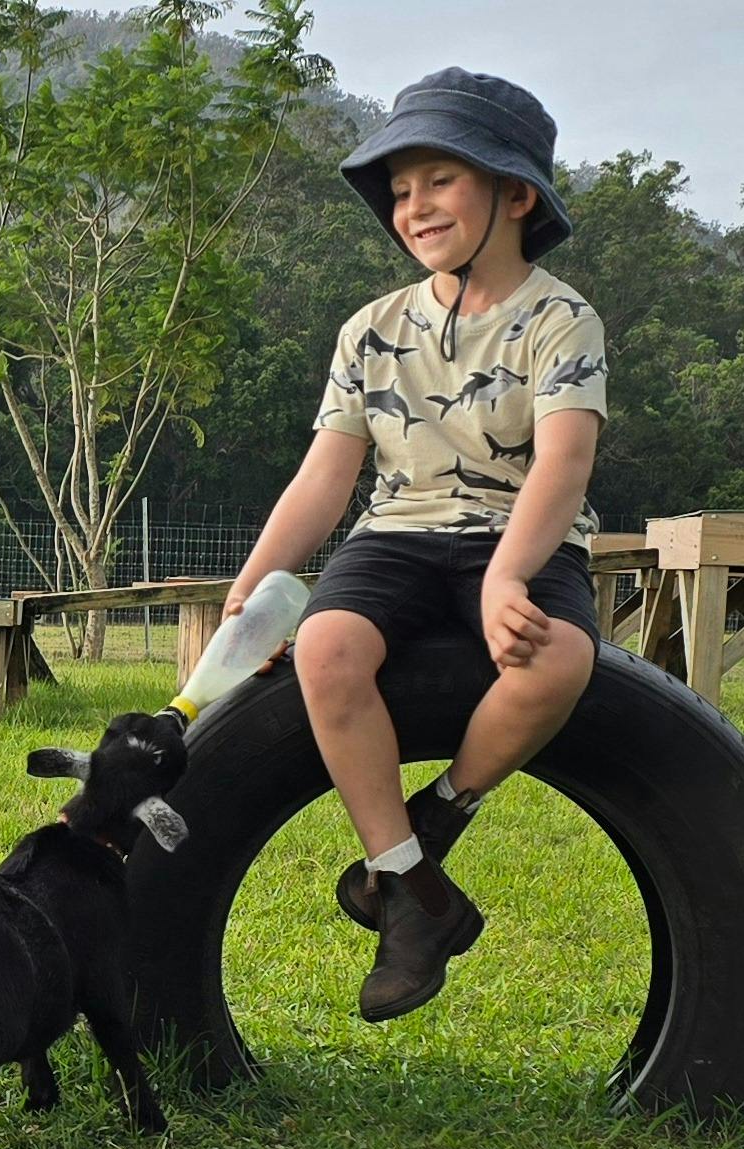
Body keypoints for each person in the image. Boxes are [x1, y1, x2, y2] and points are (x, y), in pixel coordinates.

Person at [222, 68, 607, 1022]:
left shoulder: (562, 321)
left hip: (517, 533)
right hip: (395, 535)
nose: (414, 205)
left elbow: (563, 464)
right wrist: (257, 584)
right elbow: (327, 476)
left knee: (555, 658)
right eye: (400, 188)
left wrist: (510, 575)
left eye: (439, 179)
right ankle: (410, 888)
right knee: (326, 645)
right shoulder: (371, 332)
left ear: (514, 194)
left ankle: (431, 827)